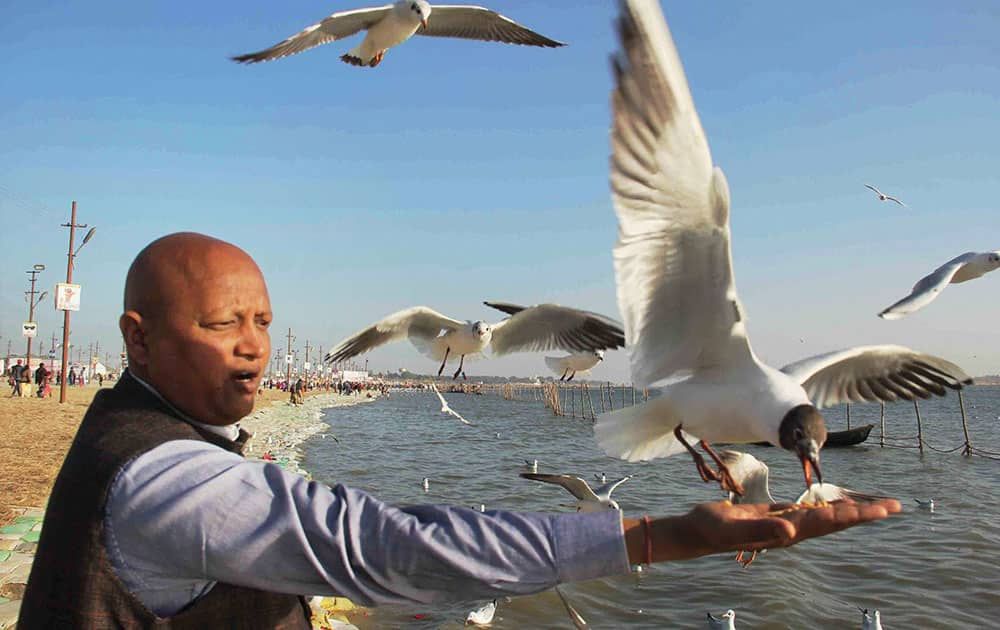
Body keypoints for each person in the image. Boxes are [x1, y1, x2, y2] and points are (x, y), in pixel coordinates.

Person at [19, 233, 899, 628]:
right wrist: (665, 536)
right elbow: (386, 546)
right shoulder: (161, 477)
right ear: (136, 335)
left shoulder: (145, 436)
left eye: (263, 322)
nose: (253, 350)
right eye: (222, 327)